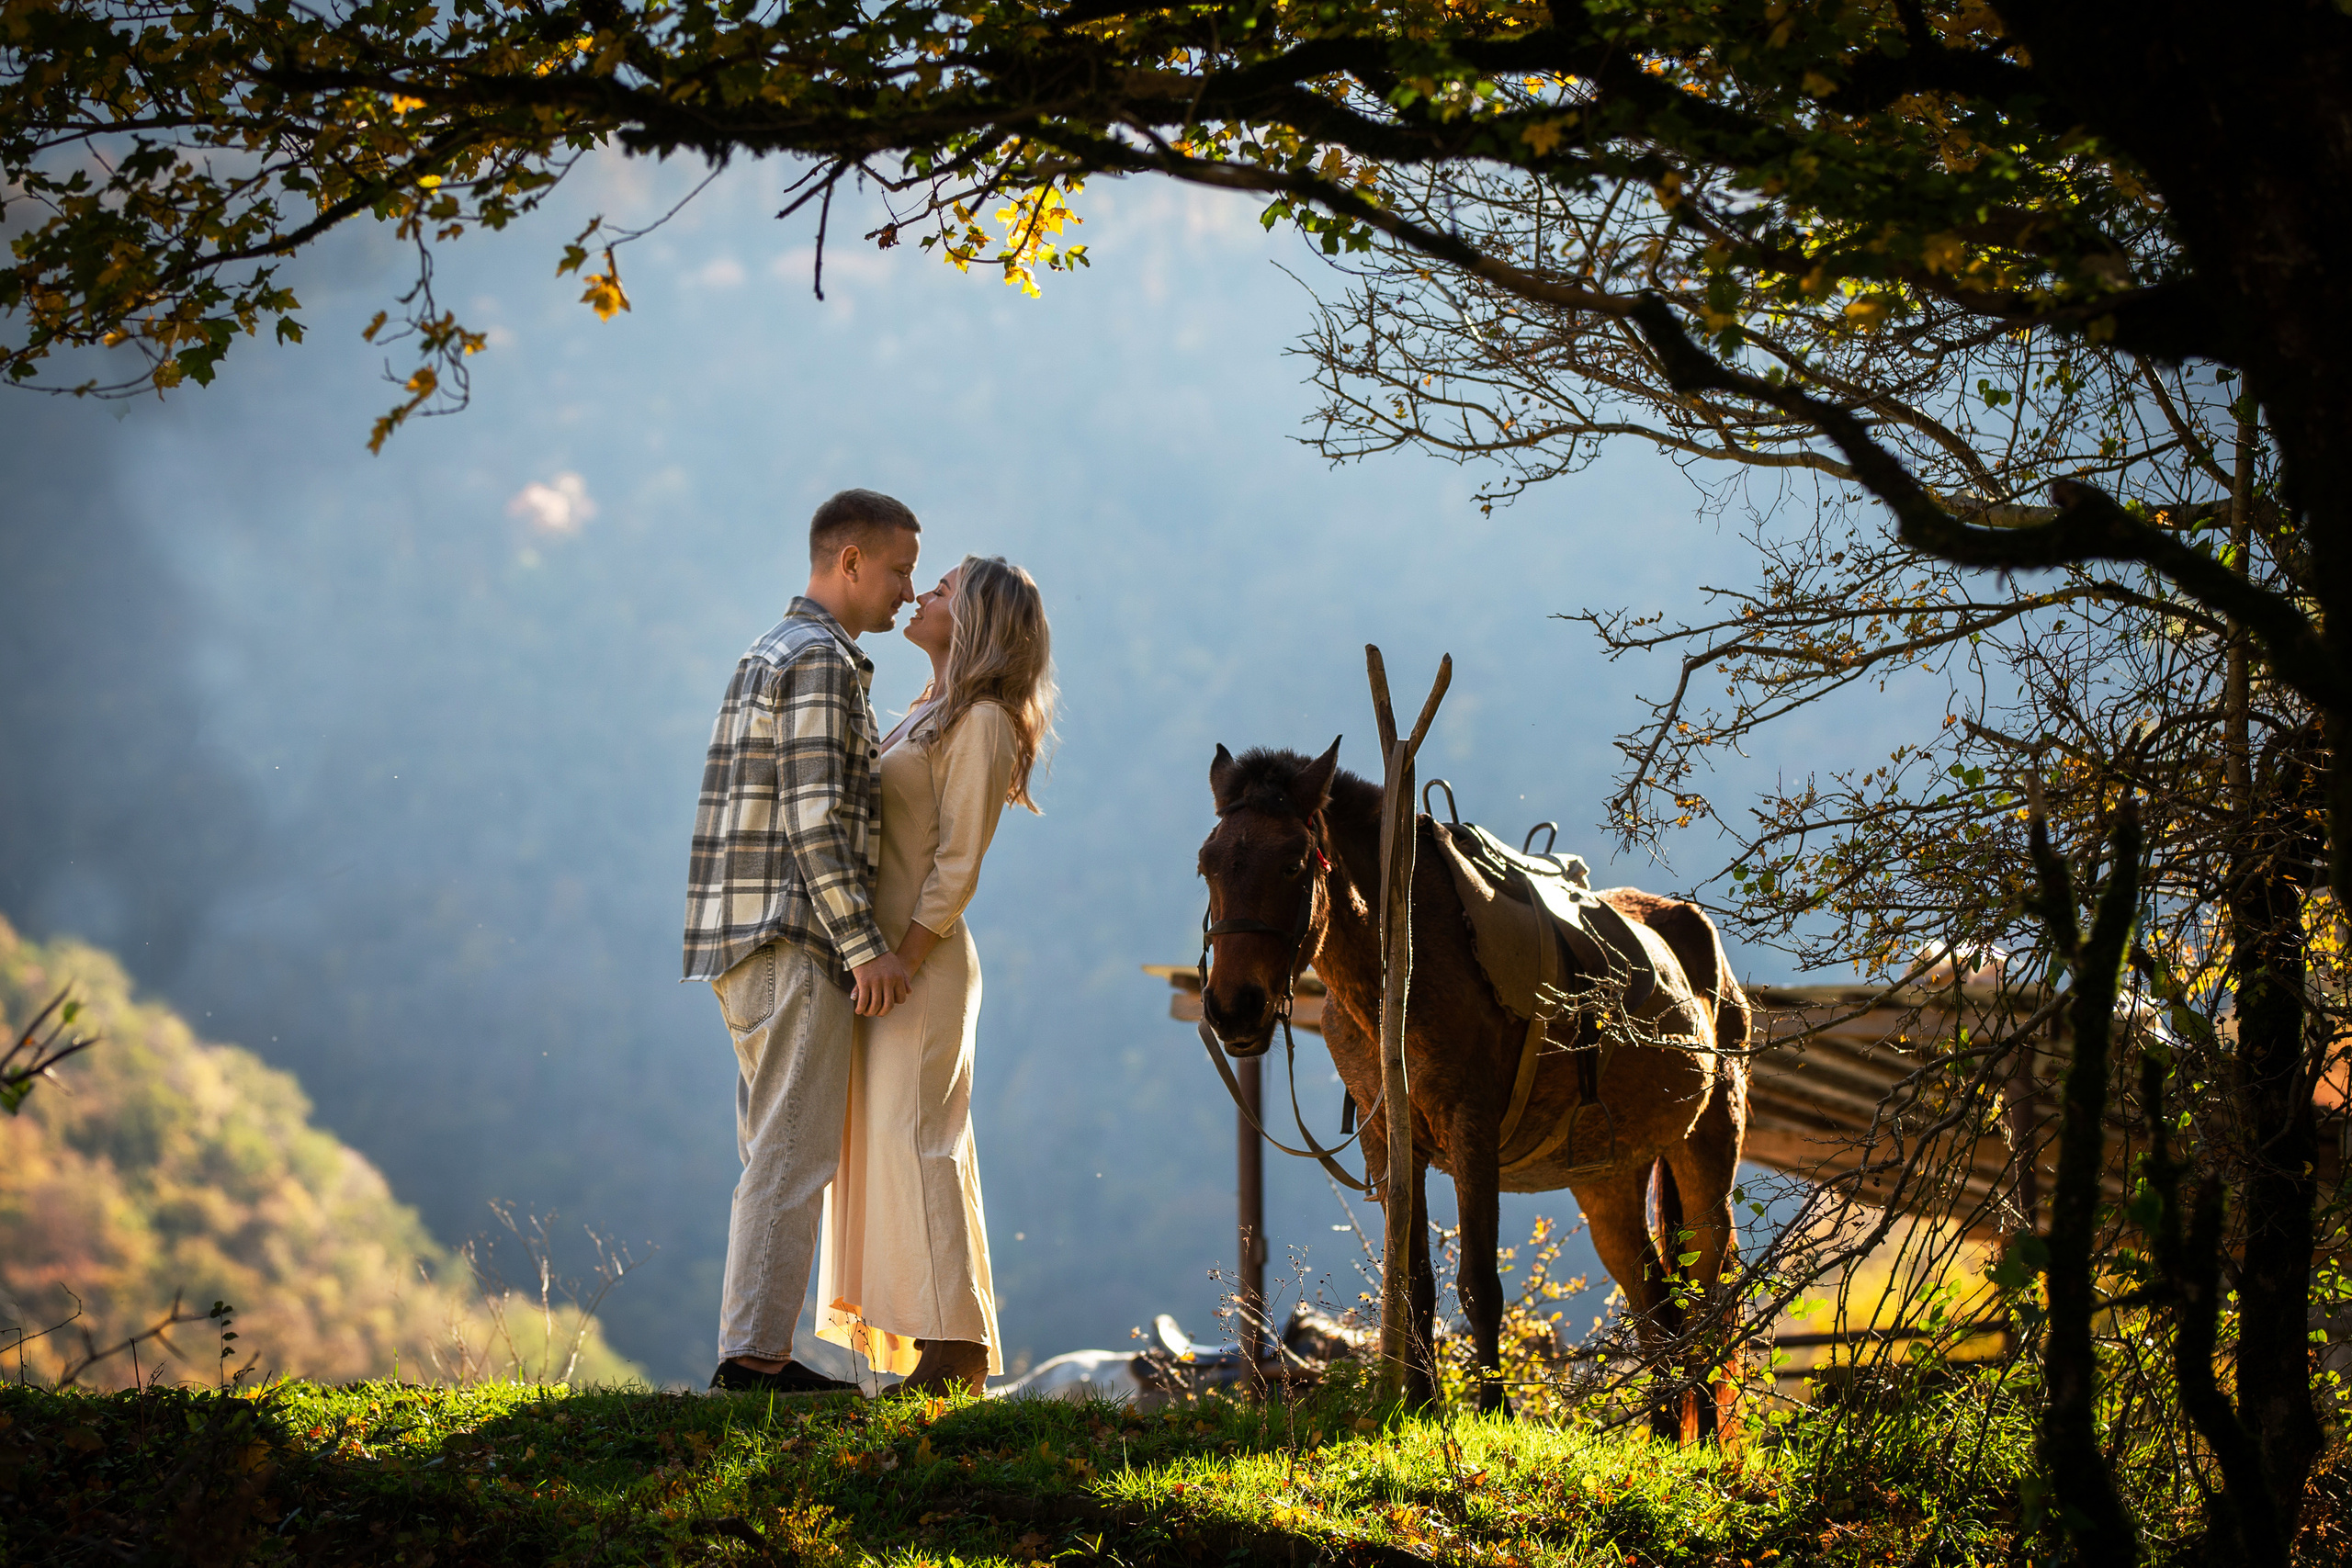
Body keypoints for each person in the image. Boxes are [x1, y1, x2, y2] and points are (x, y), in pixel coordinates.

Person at [684, 489, 922, 1395]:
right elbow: (816, 820)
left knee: (774, 1146)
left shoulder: (769, 651)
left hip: (744, 941)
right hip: (793, 938)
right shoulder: (820, 662)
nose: (904, 591)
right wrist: (864, 947)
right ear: (850, 560)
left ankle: (759, 1352)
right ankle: (752, 1364)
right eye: (898, 569)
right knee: (791, 1150)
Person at [815, 555, 1056, 1397]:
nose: (920, 593)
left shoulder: (983, 720)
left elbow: (957, 862)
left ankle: (957, 1349)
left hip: (919, 963)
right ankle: (937, 1336)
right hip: (885, 960)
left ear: (980, 619)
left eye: (943, 587)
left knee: (920, 1138)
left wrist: (902, 961)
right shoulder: (930, 710)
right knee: (894, 1140)